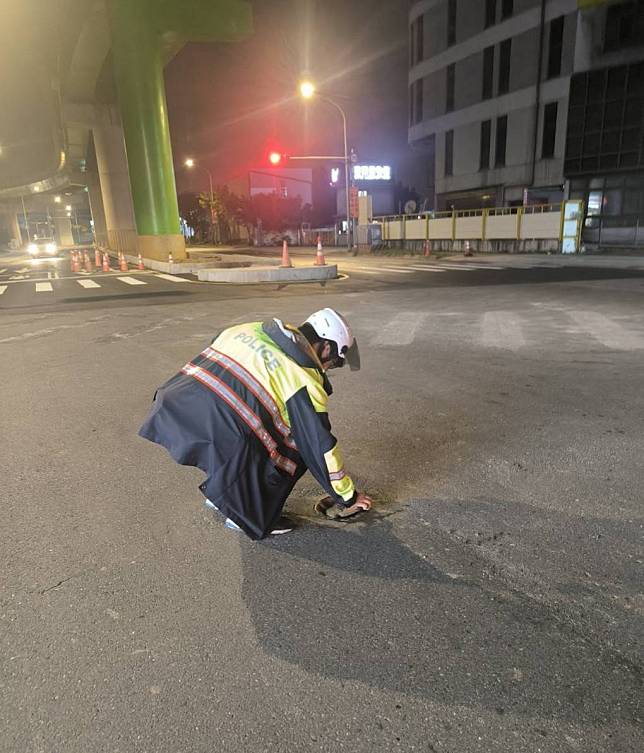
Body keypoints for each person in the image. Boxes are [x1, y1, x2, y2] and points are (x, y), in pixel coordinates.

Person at [138, 309, 372, 539]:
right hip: (219, 430)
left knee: (242, 417)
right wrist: (348, 496)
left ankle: (222, 494)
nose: (330, 367)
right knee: (292, 445)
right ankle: (243, 514)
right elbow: (320, 448)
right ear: (326, 346)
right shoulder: (303, 380)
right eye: (334, 362)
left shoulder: (249, 329)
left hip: (174, 405)